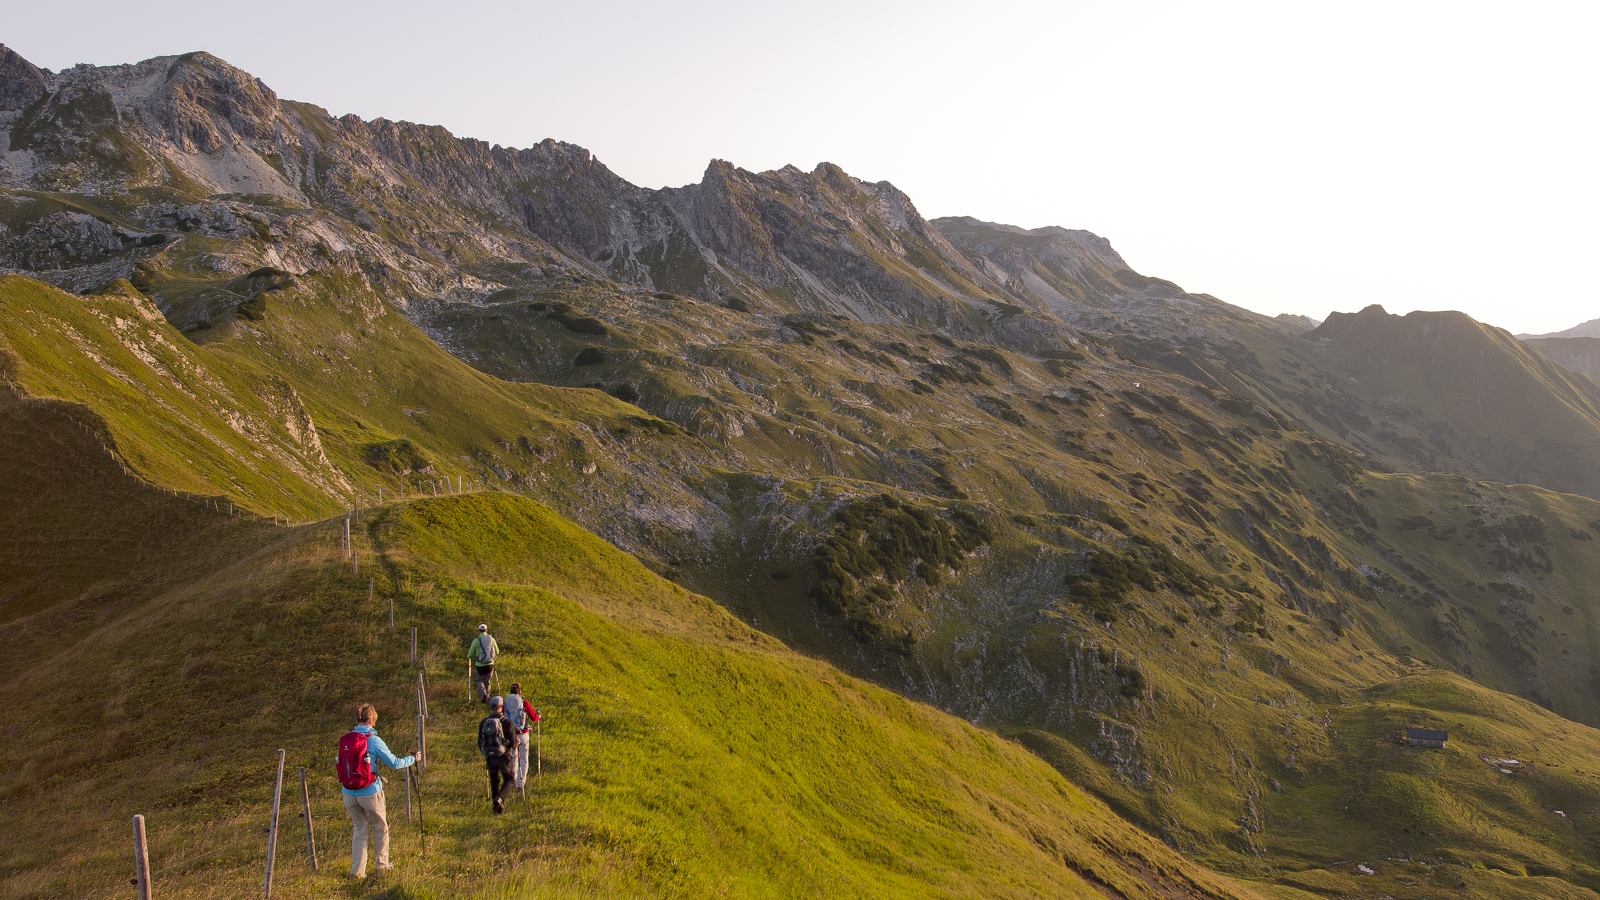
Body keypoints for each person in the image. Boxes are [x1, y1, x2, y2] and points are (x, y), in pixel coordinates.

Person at [336, 703, 417, 879]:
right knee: (380, 827)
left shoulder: (346, 739)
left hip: (348, 792)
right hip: (370, 791)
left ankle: (357, 872)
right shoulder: (373, 740)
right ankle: (381, 865)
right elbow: (394, 763)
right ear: (371, 720)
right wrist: (412, 758)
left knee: (359, 828)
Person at [477, 696, 517, 813]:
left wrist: (485, 751)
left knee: (494, 780)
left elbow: (480, 741)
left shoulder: (484, 722)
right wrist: (511, 747)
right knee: (509, 779)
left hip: (490, 756)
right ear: (502, 706)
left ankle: (496, 808)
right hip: (502, 756)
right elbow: (513, 743)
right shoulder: (507, 722)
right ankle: (500, 798)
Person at [503, 683, 540, 789]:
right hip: (522, 734)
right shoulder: (524, 703)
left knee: (513, 758)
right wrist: (538, 716)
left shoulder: (506, 704)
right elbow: (533, 718)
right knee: (523, 759)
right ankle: (521, 783)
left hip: (510, 736)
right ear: (520, 691)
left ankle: (513, 781)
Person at [470, 624, 499, 703]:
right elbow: (497, 651)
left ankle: (483, 694)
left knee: (478, 680)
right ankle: (488, 698)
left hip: (480, 665)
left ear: (479, 630)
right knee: (488, 680)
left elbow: (469, 654)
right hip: (490, 664)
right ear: (486, 630)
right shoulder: (492, 639)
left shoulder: (476, 641)